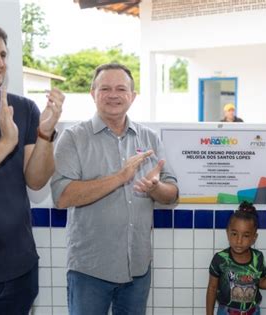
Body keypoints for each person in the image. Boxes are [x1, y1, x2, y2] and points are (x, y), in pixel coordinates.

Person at [50, 63, 179, 315]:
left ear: (132, 96)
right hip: (90, 270)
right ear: (92, 93)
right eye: (105, 88)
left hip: (138, 269)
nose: (113, 95)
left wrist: (155, 188)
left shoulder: (149, 138)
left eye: (121, 88)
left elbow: (172, 194)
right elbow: (62, 196)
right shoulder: (73, 138)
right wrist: (120, 177)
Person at [0, 18, 65, 314]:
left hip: (18, 269)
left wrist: (45, 134)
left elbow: (37, 181)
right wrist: (4, 144)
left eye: (2, 55)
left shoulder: (23, 109)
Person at [206, 201, 266, 315]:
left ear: (254, 237)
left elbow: (262, 282)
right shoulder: (220, 259)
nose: (239, 240)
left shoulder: (258, 258)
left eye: (246, 235)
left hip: (252, 312)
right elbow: (212, 288)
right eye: (234, 234)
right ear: (227, 233)